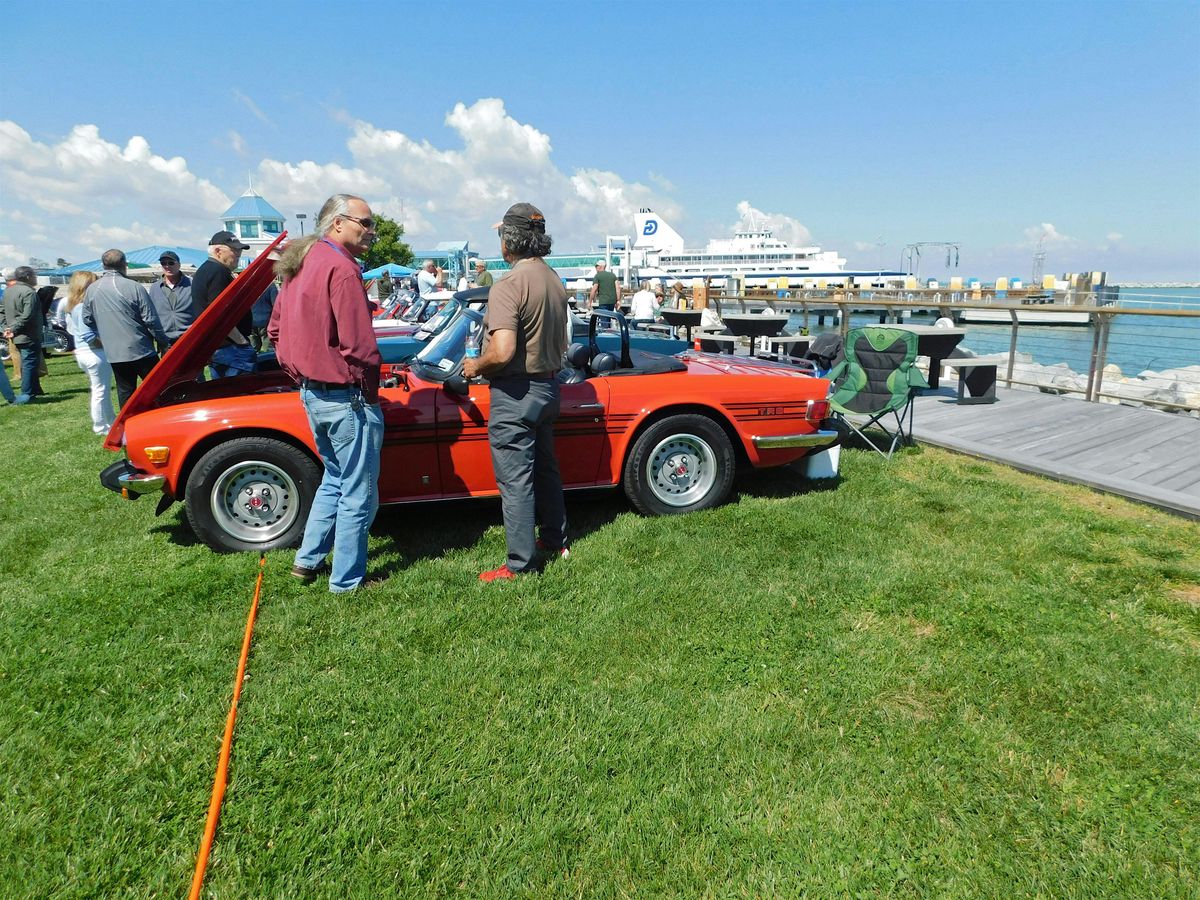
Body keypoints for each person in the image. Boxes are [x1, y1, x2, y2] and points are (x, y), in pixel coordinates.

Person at [268, 193, 383, 594]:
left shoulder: (302, 262)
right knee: (358, 490)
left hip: (314, 394)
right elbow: (360, 346)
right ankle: (347, 580)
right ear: (338, 223)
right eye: (365, 223)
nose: (371, 232)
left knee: (334, 478)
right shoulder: (342, 268)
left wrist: (298, 372)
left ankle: (307, 560)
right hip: (345, 396)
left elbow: (275, 331)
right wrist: (369, 391)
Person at [462, 202, 569, 582]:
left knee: (516, 480)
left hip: (517, 391)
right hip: (549, 386)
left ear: (510, 239)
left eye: (500, 235)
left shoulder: (509, 284)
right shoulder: (554, 279)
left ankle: (520, 564)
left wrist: (475, 365)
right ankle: (556, 539)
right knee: (546, 469)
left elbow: (503, 350)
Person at [81, 249, 170, 409]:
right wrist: (163, 342)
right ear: (124, 264)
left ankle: (128, 428)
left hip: (114, 352)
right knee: (159, 390)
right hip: (141, 349)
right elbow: (150, 319)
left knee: (125, 393)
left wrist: (106, 329)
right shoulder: (134, 287)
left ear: (104, 265)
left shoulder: (92, 290)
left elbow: (87, 318)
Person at [193, 231, 254, 378]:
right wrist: (242, 342)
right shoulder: (218, 272)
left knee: (224, 394)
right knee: (242, 395)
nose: (238, 253)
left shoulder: (206, 270)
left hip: (220, 347)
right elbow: (218, 314)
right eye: (234, 249)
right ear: (217, 251)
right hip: (231, 348)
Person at [63, 271, 114, 434]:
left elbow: (72, 330)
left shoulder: (73, 306)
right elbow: (88, 335)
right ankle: (99, 426)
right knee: (100, 391)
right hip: (94, 353)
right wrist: (108, 344)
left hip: (84, 353)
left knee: (101, 389)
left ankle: (111, 420)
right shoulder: (82, 307)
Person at [1, 266, 43, 403]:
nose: (36, 278)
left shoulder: (8, 291)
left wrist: (5, 327)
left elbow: (1, 311)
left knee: (31, 361)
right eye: (34, 275)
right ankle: (27, 392)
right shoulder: (29, 292)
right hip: (27, 333)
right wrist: (13, 328)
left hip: (15, 333)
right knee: (29, 362)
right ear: (27, 277)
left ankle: (35, 389)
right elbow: (28, 315)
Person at [146, 251, 195, 346]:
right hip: (166, 341)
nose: (167, 266)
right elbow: (152, 313)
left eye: (171, 263)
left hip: (189, 338)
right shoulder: (155, 287)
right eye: (163, 263)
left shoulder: (192, 284)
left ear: (179, 265)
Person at [250, 281, 279, 350]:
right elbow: (276, 305)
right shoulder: (270, 286)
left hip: (251, 322)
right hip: (266, 322)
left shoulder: (248, 286)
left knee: (254, 349)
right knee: (268, 349)